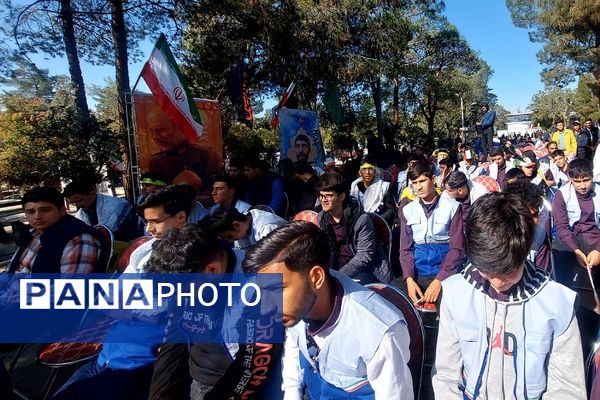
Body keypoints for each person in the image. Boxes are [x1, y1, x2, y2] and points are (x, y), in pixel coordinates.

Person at [432, 192, 586, 399]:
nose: (497, 283)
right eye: (488, 271)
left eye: (508, 271)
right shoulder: (455, 292)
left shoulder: (557, 303)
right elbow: (446, 375)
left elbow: (567, 388)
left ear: (525, 251)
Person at [243, 222, 414, 399]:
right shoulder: (300, 302)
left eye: (277, 289)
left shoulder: (378, 332)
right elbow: (295, 344)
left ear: (316, 277)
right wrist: (292, 391)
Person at [52, 185, 192, 400]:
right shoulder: (145, 249)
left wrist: (129, 307)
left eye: (156, 221)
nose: (149, 229)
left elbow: (157, 313)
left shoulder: (195, 257)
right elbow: (111, 299)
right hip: (109, 352)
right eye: (147, 222)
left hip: (140, 361)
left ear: (181, 217)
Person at [145, 225, 283, 400]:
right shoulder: (185, 279)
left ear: (212, 271)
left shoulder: (260, 287)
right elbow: (174, 341)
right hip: (198, 378)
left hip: (246, 384)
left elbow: (253, 366)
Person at [398, 160, 465, 304]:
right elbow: (405, 250)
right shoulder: (407, 210)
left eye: (422, 181)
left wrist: (439, 280)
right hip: (417, 274)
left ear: (433, 179)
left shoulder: (453, 207)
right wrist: (409, 279)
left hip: (445, 273)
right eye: (414, 183)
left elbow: (457, 250)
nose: (418, 187)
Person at [316, 171, 393, 284]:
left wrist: (339, 276)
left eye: (329, 196)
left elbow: (364, 256)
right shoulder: (322, 218)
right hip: (336, 267)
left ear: (341, 196)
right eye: (321, 196)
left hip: (366, 270)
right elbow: (328, 250)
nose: (323, 200)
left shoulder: (361, 219)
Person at [8, 187, 104, 274]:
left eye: (45, 210)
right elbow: (11, 269)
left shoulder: (79, 239)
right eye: (31, 212)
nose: (37, 217)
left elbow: (70, 288)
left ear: (62, 210)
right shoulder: (33, 233)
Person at [551, 158, 600, 311]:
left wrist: (598, 249)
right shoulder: (561, 195)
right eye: (577, 181)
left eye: (586, 180)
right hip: (572, 236)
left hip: (595, 235)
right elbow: (562, 227)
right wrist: (576, 251)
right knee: (562, 259)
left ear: (592, 177)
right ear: (570, 179)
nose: (583, 185)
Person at [147, 109, 215, 184]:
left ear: (177, 127)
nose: (155, 137)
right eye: (151, 131)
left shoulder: (203, 156)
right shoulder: (156, 163)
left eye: (160, 130)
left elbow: (211, 189)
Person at [64, 179, 141, 241]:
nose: (78, 205)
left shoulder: (117, 205)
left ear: (92, 194)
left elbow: (107, 233)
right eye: (74, 203)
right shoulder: (80, 214)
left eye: (80, 200)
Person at [504, 179, 552, 271]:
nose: (535, 221)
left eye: (535, 214)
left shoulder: (540, 235)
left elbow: (542, 271)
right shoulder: (493, 234)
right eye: (527, 216)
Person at [209, 206, 287, 252]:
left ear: (236, 225)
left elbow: (273, 259)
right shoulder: (242, 228)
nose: (230, 240)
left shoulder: (267, 228)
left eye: (229, 236)